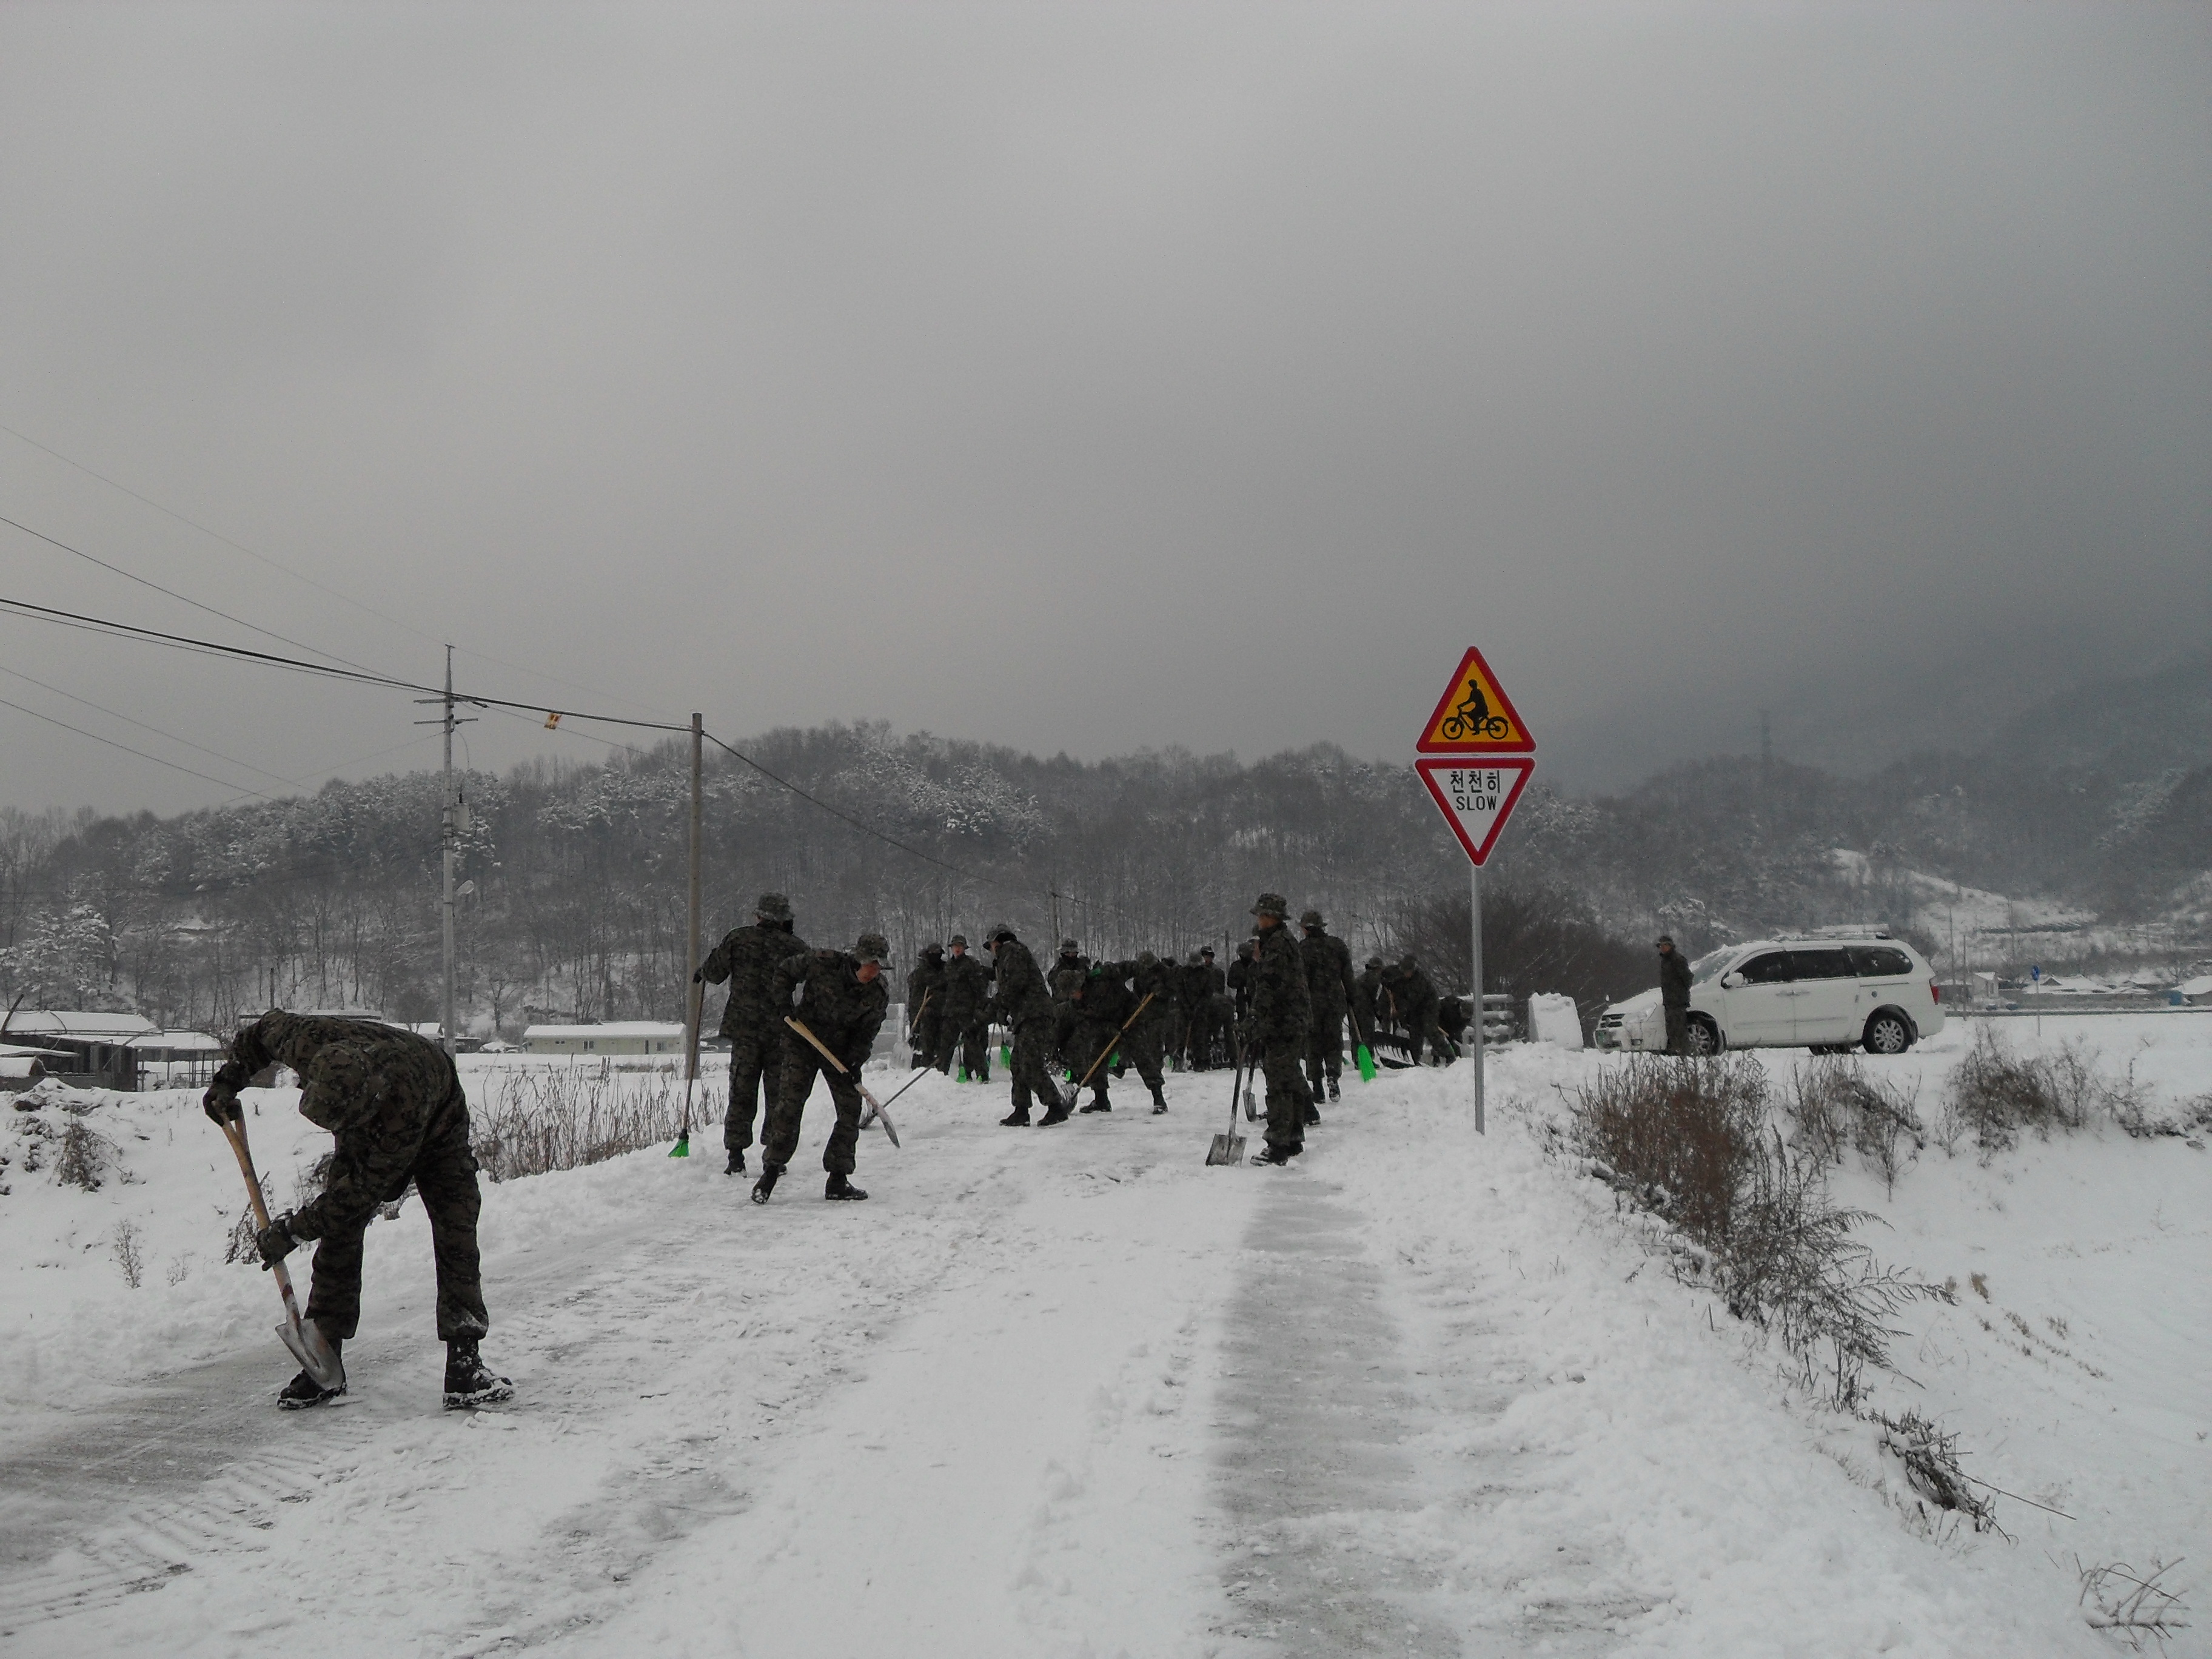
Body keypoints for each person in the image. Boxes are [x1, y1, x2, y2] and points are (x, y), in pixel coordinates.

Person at [202, 1011, 511, 1411]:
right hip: (368, 1112)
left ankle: (464, 1362)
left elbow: (359, 1197)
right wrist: (229, 1080)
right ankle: (324, 1354)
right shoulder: (305, 1040)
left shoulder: (405, 1108)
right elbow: (261, 1032)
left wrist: (294, 1230)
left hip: (438, 1126)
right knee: (339, 1237)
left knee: (456, 1228)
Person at [752, 932, 891, 1204]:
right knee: (790, 1105)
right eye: (870, 965)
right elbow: (784, 971)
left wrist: (855, 1061)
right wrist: (783, 1002)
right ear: (857, 960)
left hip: (840, 1052)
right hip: (802, 1040)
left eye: (878, 967)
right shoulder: (822, 962)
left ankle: (838, 1180)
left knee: (850, 1109)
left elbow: (867, 1033)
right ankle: (770, 1172)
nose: (873, 972)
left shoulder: (878, 993)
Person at [695, 893, 808, 1176]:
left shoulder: (738, 939)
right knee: (778, 1094)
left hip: (744, 1030)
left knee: (742, 1090)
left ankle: (736, 1156)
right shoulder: (794, 946)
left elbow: (715, 972)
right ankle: (775, 1155)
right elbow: (809, 978)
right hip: (780, 1030)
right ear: (785, 920)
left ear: (758, 916)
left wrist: (702, 972)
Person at [1245, 894, 1314, 1164]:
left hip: (1283, 1023)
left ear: (1271, 917)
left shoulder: (1277, 945)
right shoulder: (1282, 941)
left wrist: (1254, 1016)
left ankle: (1279, 1144)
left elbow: (1270, 987)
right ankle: (1294, 1138)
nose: (1259, 920)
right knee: (1288, 1079)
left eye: (1262, 916)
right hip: (1288, 1022)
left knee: (1279, 1083)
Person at [987, 922, 1068, 1126]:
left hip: (1035, 1013)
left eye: (991, 945)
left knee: (1029, 1063)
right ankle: (1021, 1110)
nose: (992, 951)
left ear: (997, 941)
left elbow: (1015, 984)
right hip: (1026, 1015)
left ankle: (1056, 1106)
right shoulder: (1009, 955)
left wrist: (997, 1005)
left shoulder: (1012, 952)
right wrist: (1002, 1009)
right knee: (1017, 1063)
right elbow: (1012, 987)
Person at [1296, 909, 1360, 1104]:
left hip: (1311, 1003)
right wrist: (1351, 997)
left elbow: (1298, 980)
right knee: (1334, 1042)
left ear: (1306, 929)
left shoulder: (1301, 949)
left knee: (1313, 1045)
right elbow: (1348, 976)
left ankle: (1317, 1086)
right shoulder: (1337, 945)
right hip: (1335, 1001)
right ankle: (1333, 1074)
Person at [937, 934, 993, 1081]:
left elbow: (979, 988)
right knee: (946, 1045)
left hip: (967, 1010)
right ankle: (941, 1075)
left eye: (960, 947)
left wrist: (978, 1007)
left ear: (964, 948)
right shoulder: (948, 966)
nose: (957, 949)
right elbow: (945, 986)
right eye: (955, 947)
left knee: (972, 1043)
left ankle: (983, 1074)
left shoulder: (971, 964)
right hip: (950, 1011)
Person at [906, 942, 947, 1067]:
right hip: (923, 1011)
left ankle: (938, 1066)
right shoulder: (919, 974)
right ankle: (921, 1065)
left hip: (941, 1011)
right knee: (923, 1041)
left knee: (939, 1042)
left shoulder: (944, 969)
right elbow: (916, 997)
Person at [1658, 934, 1694, 1053]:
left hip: (1678, 1002)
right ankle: (1676, 1053)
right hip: (1669, 1002)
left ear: (1670, 946)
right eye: (1660, 946)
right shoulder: (1664, 961)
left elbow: (1688, 978)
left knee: (1680, 1030)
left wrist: (1679, 993)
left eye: (1664, 945)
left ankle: (1685, 1054)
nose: (1662, 948)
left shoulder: (1678, 960)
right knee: (1671, 1030)